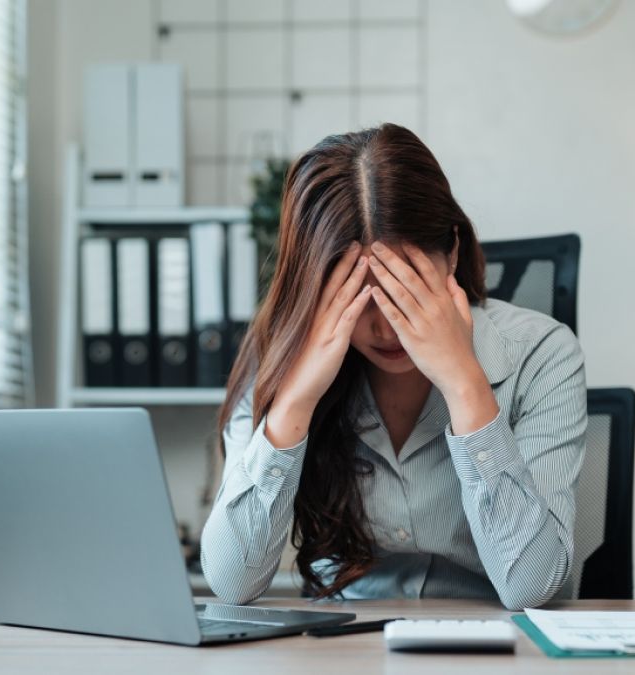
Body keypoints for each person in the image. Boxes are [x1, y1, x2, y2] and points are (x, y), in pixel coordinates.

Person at [200, 124, 586, 610]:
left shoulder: (542, 353)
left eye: (403, 293)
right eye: (355, 298)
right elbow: (232, 583)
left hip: (500, 644)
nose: (385, 330)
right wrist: (295, 401)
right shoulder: (276, 357)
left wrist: (466, 385)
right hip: (344, 646)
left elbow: (532, 587)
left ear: (451, 254)